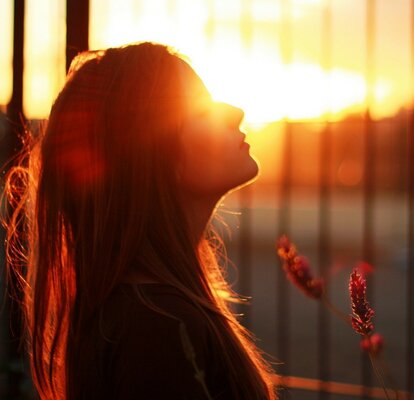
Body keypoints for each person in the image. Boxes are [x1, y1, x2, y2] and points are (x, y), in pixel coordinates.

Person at [3, 42, 276, 399]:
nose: (235, 111)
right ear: (151, 155)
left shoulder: (144, 311)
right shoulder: (159, 327)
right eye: (201, 111)